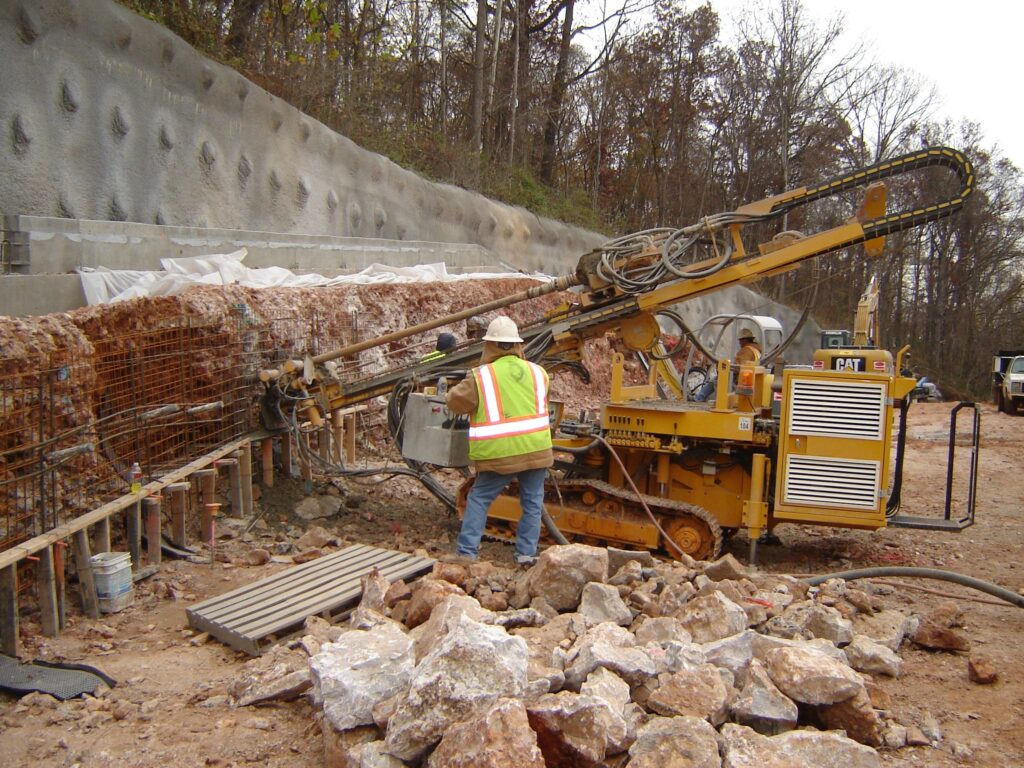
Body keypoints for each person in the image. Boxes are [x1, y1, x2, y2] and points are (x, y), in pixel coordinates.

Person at [445, 316, 553, 565]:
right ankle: (526, 555)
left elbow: (454, 402)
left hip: (501, 453)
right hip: (537, 450)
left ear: (490, 345)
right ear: (517, 345)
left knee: (480, 497)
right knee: (533, 502)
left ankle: (467, 554)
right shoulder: (540, 373)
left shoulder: (481, 376)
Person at [693, 326, 762, 401]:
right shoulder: (756, 350)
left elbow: (737, 366)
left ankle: (698, 399)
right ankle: (699, 398)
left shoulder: (746, 350)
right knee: (716, 379)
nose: (739, 343)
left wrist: (723, 367)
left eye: (740, 340)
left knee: (716, 380)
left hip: (741, 379)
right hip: (749, 378)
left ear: (744, 340)